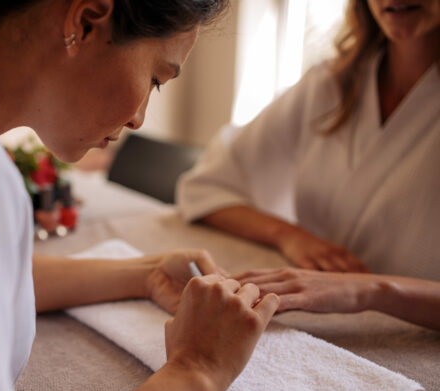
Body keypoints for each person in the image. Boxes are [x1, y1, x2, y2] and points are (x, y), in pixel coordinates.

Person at [0, 0, 281, 391]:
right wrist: (197, 370)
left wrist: (144, 273)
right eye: (154, 78)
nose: (138, 117)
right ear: (86, 22)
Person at [177, 0, 440, 330]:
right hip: (311, 321)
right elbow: (205, 186)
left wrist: (371, 290)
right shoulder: (329, 83)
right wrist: (291, 236)